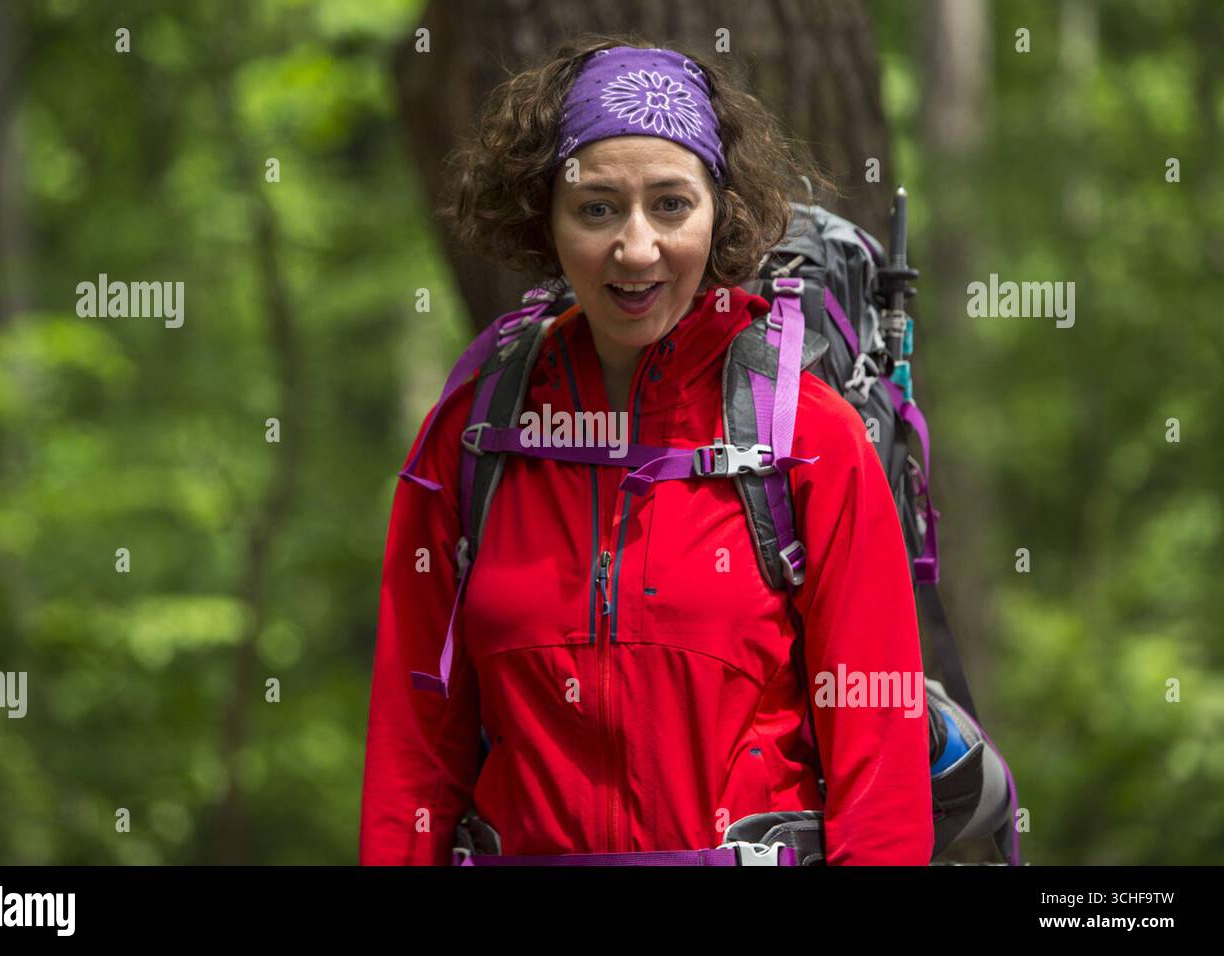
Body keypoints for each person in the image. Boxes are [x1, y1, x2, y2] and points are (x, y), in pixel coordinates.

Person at [359, 36, 934, 865]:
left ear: (721, 212)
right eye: (596, 208)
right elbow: (413, 748)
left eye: (671, 205)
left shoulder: (808, 440)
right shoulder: (475, 437)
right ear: (544, 218)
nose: (635, 249)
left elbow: (878, 761)